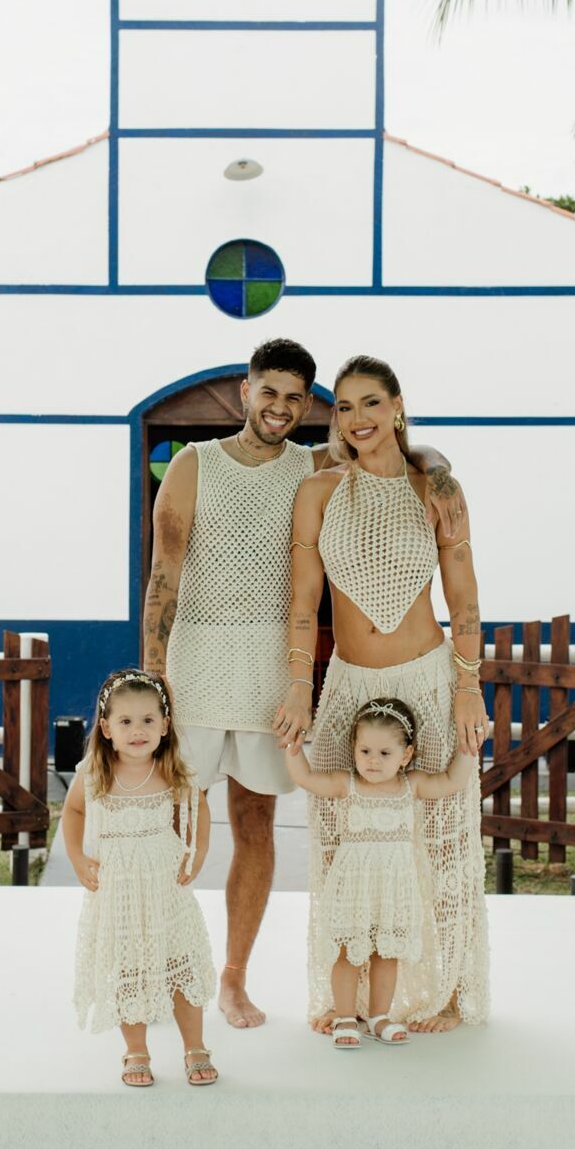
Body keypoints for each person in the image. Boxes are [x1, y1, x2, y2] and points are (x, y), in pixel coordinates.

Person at [142, 337, 465, 1029]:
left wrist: (438, 466)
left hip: (270, 674)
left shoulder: (316, 467)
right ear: (244, 393)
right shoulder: (193, 465)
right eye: (269, 393)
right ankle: (160, 968)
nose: (280, 408)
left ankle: (231, 979)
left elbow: (397, 455)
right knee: (172, 825)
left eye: (295, 397)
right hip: (194, 665)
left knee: (255, 824)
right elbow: (163, 575)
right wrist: (152, 681)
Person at [276, 354, 490, 1034]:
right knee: (345, 845)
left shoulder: (435, 484)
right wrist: (297, 686)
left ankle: (448, 992)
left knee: (441, 836)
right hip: (348, 688)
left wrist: (466, 689)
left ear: (397, 405)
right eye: (342, 406)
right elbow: (304, 604)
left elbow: (463, 595)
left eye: (369, 402)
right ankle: (351, 999)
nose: (356, 418)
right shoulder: (318, 490)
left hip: (427, 679)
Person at [285, 696, 475, 1049]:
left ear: (405, 755)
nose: (373, 761)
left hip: (393, 886)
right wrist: (293, 748)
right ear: (354, 750)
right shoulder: (348, 784)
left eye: (385, 754)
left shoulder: (411, 785)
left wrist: (468, 747)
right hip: (354, 886)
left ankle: (379, 1016)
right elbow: (308, 779)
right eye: (365, 751)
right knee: (348, 952)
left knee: (386, 953)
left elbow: (450, 782)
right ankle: (344, 1016)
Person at [64, 668, 219, 1087]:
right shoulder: (96, 772)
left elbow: (199, 810)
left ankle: (195, 1046)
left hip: (163, 882)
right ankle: (136, 1050)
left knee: (179, 961)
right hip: (119, 888)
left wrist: (198, 851)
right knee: (129, 968)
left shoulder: (171, 770)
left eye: (148, 721)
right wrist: (77, 857)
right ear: (106, 728)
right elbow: (74, 812)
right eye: (126, 721)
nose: (138, 731)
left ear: (165, 726)